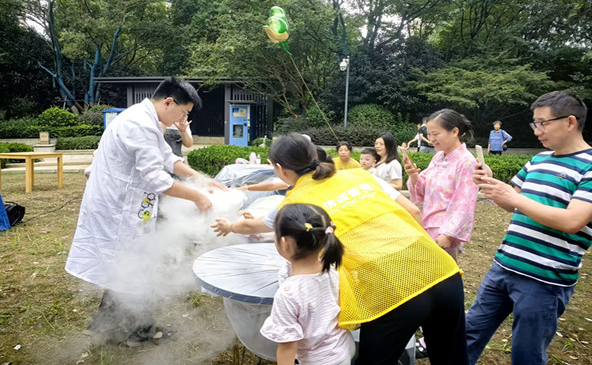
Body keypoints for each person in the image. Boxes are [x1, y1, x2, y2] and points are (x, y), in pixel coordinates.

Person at [212, 133, 467, 365]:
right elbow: (412, 211)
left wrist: (230, 226)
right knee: (451, 358)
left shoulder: (296, 203)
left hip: (391, 290)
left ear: (280, 168)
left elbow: (255, 225)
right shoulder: (359, 174)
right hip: (440, 270)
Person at [65, 77, 225, 346]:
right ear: (168, 102)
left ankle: (103, 325)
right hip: (118, 209)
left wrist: (201, 179)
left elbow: (168, 159)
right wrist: (198, 196)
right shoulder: (139, 123)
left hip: (125, 207)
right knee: (137, 266)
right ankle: (141, 331)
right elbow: (156, 177)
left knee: (126, 264)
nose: (182, 119)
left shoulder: (146, 119)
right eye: (183, 113)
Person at [466, 91, 592, 365]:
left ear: (570, 121)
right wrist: (491, 183)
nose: (537, 131)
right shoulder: (538, 160)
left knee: (527, 354)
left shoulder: (589, 166)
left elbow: (573, 221)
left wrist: (515, 199)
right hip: (504, 266)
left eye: (543, 123)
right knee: (468, 334)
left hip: (545, 279)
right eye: (535, 123)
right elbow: (511, 203)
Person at [260, 203, 355, 365]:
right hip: (342, 348)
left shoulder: (288, 294)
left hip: (317, 360)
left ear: (284, 242)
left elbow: (287, 347)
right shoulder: (332, 267)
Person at [404, 109, 478, 262]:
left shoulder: (466, 162)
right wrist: (414, 176)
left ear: (455, 132)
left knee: (440, 271)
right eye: (429, 134)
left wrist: (448, 234)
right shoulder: (438, 157)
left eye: (436, 134)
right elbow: (423, 191)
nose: (431, 139)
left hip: (444, 230)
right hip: (427, 223)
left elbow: (464, 202)